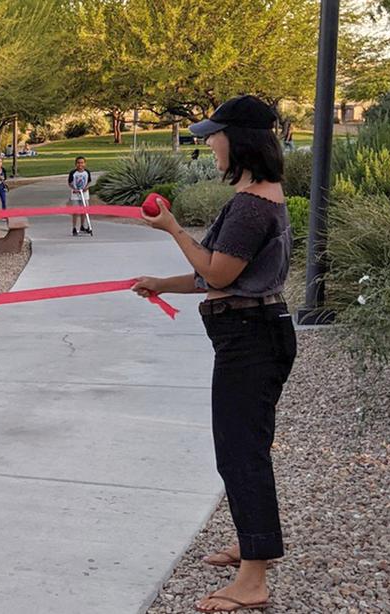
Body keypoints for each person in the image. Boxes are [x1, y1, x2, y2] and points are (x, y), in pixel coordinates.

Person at [132, 95, 294, 614]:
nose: (209, 142)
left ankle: (253, 579)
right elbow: (214, 270)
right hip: (252, 332)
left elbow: (220, 275)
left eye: (215, 134)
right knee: (244, 447)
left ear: (242, 139)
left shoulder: (252, 205)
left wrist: (173, 228)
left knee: (240, 452)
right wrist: (162, 283)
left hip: (251, 336)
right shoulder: (255, 193)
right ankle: (252, 545)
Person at [68, 156, 92, 236]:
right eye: (78, 163)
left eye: (82, 163)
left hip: (84, 194)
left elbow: (89, 182)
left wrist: (86, 187)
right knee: (75, 211)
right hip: (75, 194)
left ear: (85, 163)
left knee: (84, 211)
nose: (80, 164)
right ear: (76, 164)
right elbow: (70, 183)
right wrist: (74, 189)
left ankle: (82, 226)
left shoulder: (87, 172)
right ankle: (74, 227)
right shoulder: (73, 173)